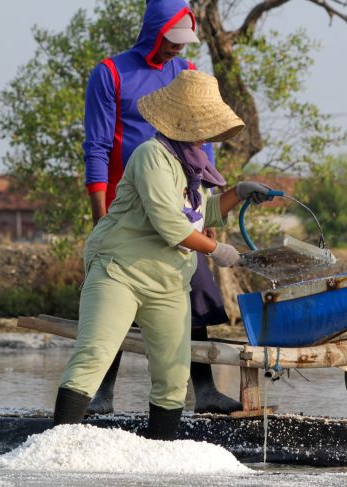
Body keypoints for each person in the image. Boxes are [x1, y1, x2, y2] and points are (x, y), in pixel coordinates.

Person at [54, 70, 274, 440]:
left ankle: (161, 453)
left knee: (173, 375)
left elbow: (202, 211)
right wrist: (220, 250)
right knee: (94, 356)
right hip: (119, 271)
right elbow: (171, 225)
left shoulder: (192, 165)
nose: (206, 135)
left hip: (168, 280)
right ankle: (52, 447)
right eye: (202, 126)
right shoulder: (151, 156)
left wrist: (239, 191)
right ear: (182, 122)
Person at [83, 0, 238, 413]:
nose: (176, 48)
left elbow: (203, 145)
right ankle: (101, 394)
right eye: (171, 40)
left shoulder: (187, 73)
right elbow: (97, 148)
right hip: (127, 207)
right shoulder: (111, 73)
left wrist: (207, 217)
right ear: (154, 30)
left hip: (182, 204)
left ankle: (203, 390)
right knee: (113, 299)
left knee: (196, 294)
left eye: (183, 41)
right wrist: (101, 218)